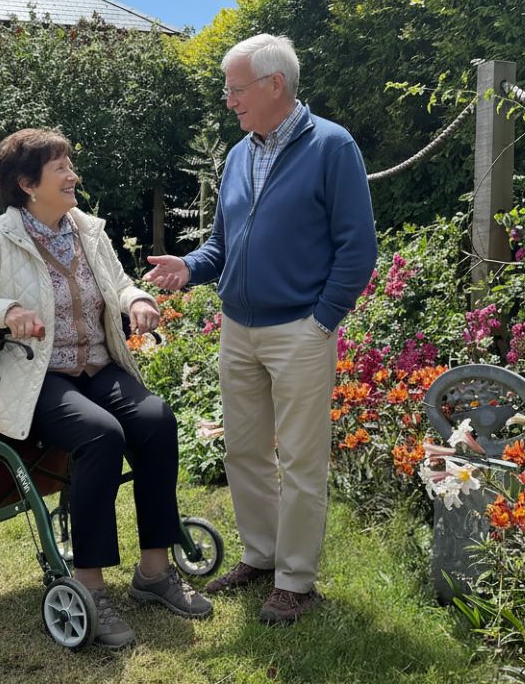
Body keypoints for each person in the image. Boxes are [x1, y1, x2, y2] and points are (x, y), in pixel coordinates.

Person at [0, 128, 212, 649]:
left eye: (69, 165)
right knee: (101, 434)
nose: (72, 176)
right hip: (34, 378)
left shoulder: (87, 230)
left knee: (156, 421)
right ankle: (90, 585)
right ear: (27, 184)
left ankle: (154, 572)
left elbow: (117, 284)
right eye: (60, 168)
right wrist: (5, 311)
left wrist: (136, 300)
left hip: (96, 368)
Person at [145, 34, 377, 624]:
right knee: (244, 449)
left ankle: (295, 580)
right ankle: (261, 555)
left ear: (276, 85)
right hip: (238, 328)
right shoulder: (238, 155)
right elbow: (221, 244)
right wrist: (189, 267)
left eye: (236, 89)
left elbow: (358, 248)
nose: (229, 101)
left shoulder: (332, 146)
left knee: (301, 460)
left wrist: (322, 321)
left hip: (300, 330)